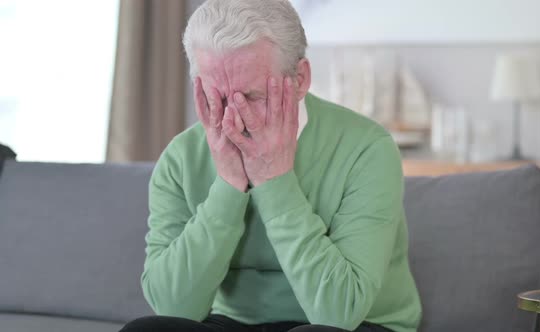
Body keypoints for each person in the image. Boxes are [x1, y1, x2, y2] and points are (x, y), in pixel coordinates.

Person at [120, 0, 421, 331]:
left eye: (251, 97)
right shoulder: (181, 158)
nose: (233, 120)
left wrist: (274, 179)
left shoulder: (367, 149)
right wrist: (228, 185)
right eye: (216, 99)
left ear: (300, 78)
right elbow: (173, 308)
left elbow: (339, 314)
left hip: (354, 324)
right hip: (233, 324)